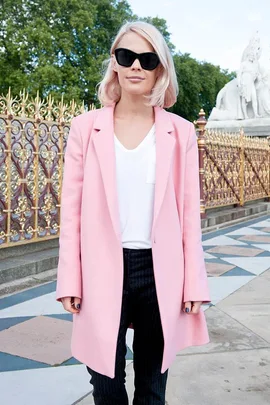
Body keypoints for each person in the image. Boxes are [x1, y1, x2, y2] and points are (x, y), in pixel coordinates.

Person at [56, 20, 210, 405]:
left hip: (160, 273)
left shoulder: (181, 133)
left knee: (152, 390)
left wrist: (195, 282)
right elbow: (70, 212)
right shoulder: (84, 129)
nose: (136, 66)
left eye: (147, 58)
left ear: (160, 67)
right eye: (127, 56)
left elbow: (190, 214)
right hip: (100, 271)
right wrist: (69, 279)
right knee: (106, 387)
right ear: (115, 63)